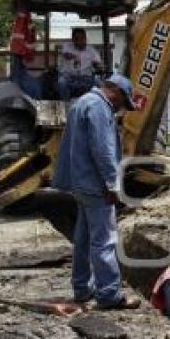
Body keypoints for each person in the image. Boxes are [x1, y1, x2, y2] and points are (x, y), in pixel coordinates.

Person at [52, 74, 138, 309]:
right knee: (105, 240)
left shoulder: (82, 102)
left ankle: (82, 288)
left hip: (81, 183)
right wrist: (113, 184)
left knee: (84, 238)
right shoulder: (99, 108)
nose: (121, 109)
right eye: (123, 102)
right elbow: (103, 150)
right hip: (95, 185)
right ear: (117, 92)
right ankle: (109, 294)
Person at [58, 28, 103, 101]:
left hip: (86, 77)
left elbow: (97, 63)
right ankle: (66, 105)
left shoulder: (91, 50)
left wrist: (98, 65)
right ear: (73, 40)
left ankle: (97, 106)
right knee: (62, 82)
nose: (80, 41)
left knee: (99, 83)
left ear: (85, 38)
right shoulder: (67, 46)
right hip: (69, 77)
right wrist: (74, 56)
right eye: (77, 38)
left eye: (82, 38)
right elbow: (66, 54)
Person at [8, 9, 43, 99]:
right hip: (20, 55)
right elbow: (26, 39)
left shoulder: (23, 19)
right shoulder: (23, 19)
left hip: (21, 55)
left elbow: (29, 38)